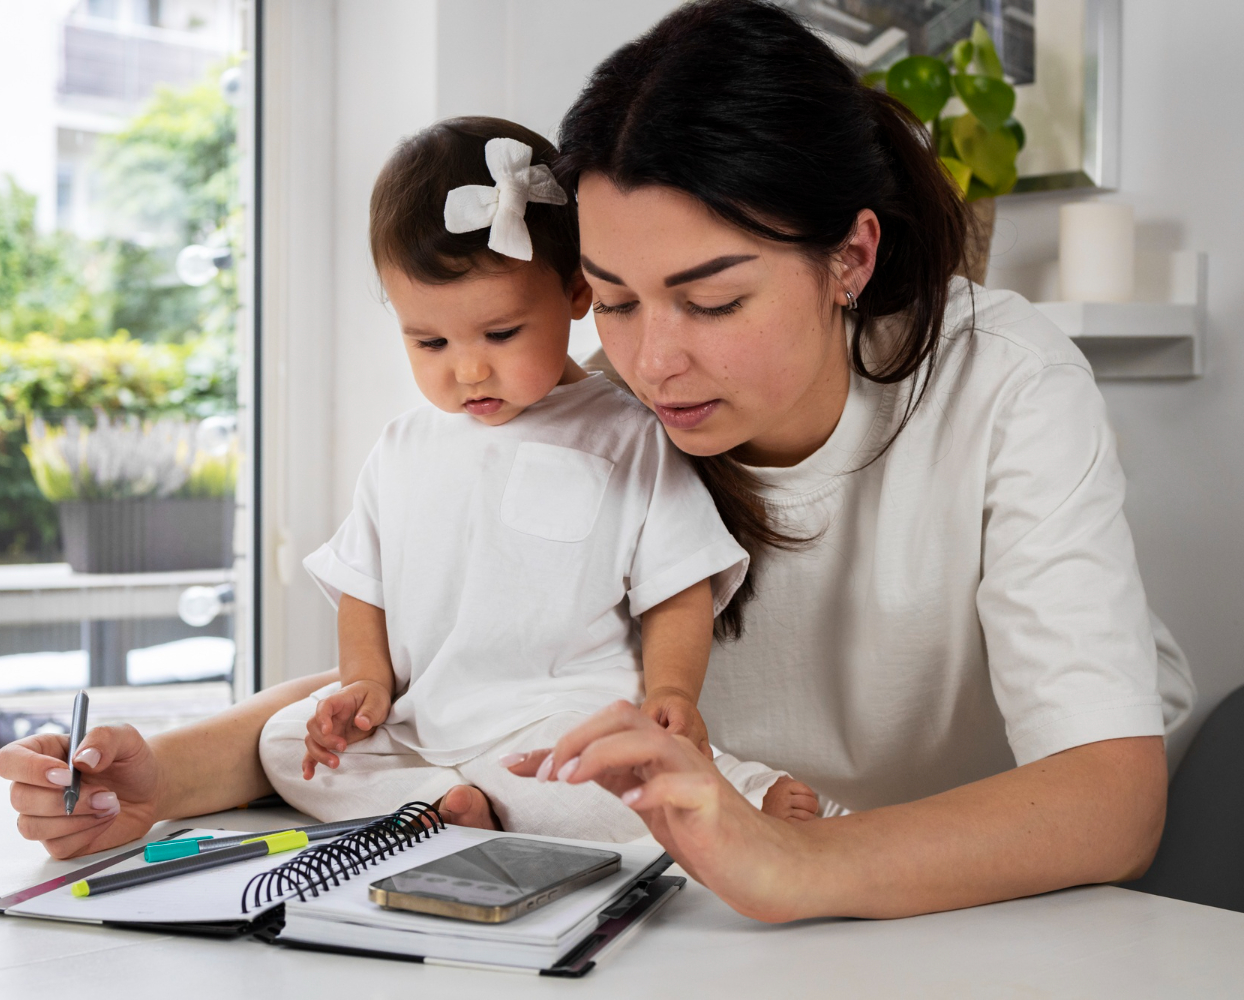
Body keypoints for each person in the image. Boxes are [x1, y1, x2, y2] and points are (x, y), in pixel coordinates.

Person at [495, 0, 1194, 919]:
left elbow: (1112, 800)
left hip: (1015, 907)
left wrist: (790, 863)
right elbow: (453, 663)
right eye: (616, 302)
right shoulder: (599, 421)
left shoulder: (1004, 382)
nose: (652, 364)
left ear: (849, 258)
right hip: (738, 908)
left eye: (712, 302)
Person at [257, 117, 817, 840]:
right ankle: (441, 799)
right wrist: (362, 685)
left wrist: (673, 691)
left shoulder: (628, 433)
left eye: (501, 334)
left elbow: (678, 585)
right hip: (425, 721)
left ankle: (737, 790)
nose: (466, 369)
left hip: (560, 723)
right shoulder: (402, 447)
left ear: (577, 293)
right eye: (429, 341)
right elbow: (363, 590)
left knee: (614, 780)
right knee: (282, 741)